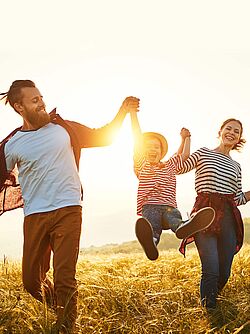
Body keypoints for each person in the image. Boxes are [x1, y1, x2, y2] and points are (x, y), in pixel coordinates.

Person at [0, 80, 139, 333]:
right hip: (35, 215)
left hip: (68, 209)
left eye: (41, 97)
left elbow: (103, 136)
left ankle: (66, 326)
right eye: (34, 100)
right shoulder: (12, 144)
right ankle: (59, 308)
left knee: (64, 276)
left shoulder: (63, 128)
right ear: (19, 107)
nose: (41, 103)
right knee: (32, 282)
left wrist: (123, 111)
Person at [178, 118, 250, 310]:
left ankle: (211, 298)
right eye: (228, 128)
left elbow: (238, 198)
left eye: (236, 131)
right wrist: (186, 140)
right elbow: (180, 167)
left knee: (224, 272)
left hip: (228, 216)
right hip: (205, 213)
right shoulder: (204, 153)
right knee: (210, 268)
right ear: (220, 131)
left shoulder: (237, 167)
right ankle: (209, 311)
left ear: (239, 138)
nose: (232, 133)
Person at [129, 110, 215, 261]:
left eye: (156, 147)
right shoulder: (142, 165)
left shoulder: (170, 165)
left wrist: (186, 138)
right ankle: (152, 243)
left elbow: (184, 155)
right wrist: (133, 115)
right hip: (150, 206)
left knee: (175, 220)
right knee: (152, 227)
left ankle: (183, 227)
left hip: (169, 207)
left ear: (162, 152)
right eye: (148, 147)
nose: (152, 149)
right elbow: (136, 137)